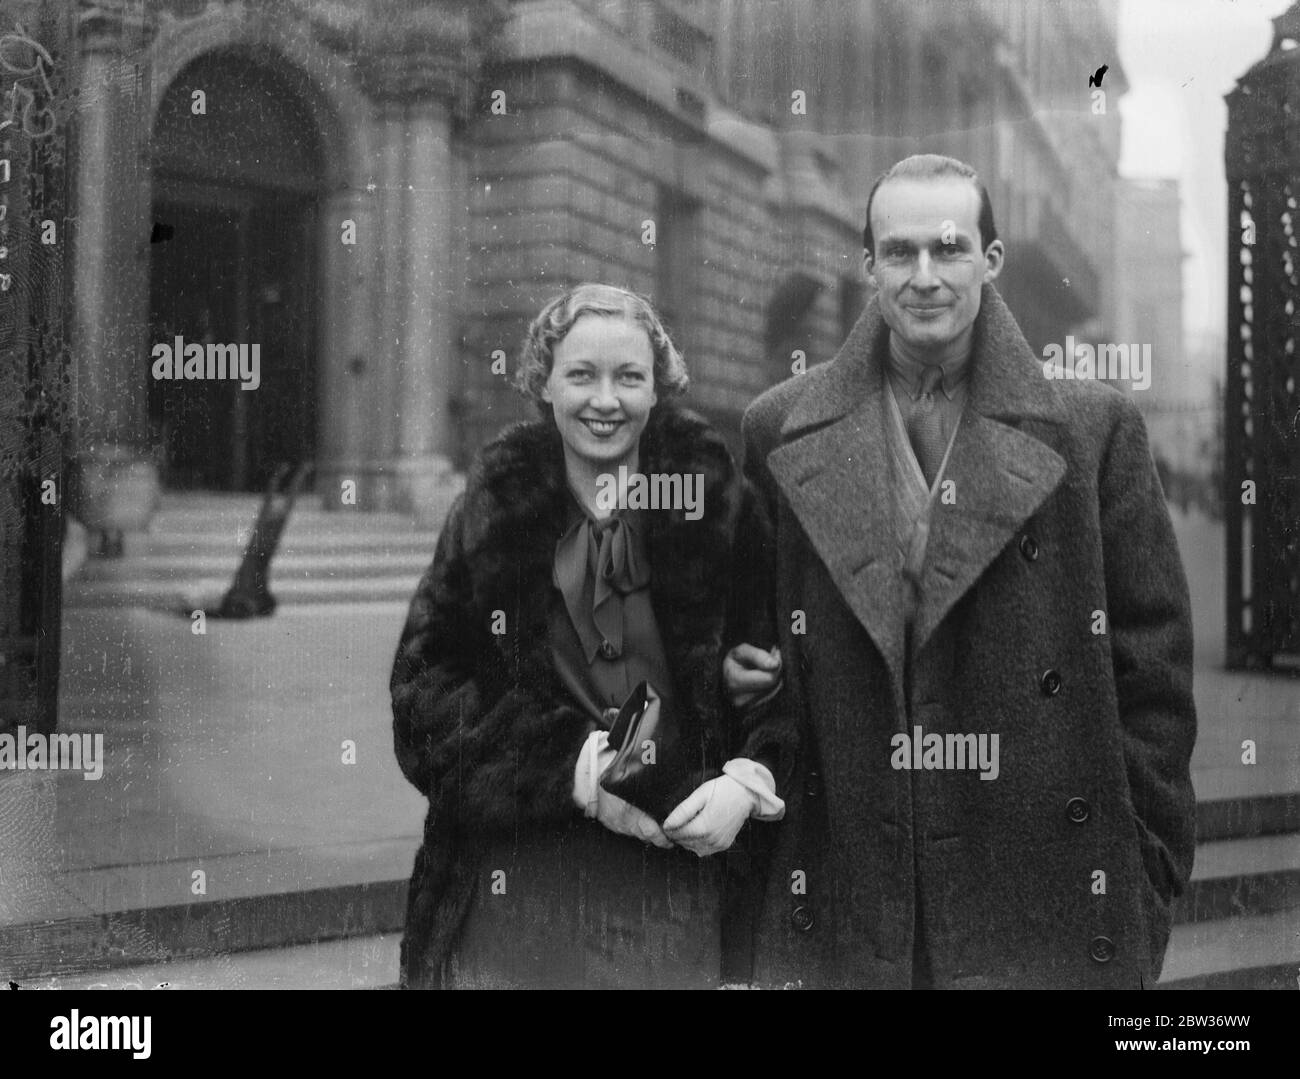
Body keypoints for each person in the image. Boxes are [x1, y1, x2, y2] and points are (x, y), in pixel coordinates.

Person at [729, 154, 1198, 989]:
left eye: (949, 249)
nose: (924, 277)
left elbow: (1154, 672)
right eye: (898, 253)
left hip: (1040, 887)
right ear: (868, 265)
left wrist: (1140, 878)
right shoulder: (777, 431)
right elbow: (752, 647)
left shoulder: (1092, 431)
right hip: (852, 894)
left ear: (991, 260)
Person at [390, 283, 796, 989]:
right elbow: (423, 700)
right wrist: (575, 767)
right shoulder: (493, 509)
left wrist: (748, 775)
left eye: (628, 377)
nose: (604, 400)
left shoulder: (720, 508)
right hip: (520, 880)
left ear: (657, 387)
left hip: (676, 876)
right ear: (543, 382)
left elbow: (781, 674)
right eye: (581, 375)